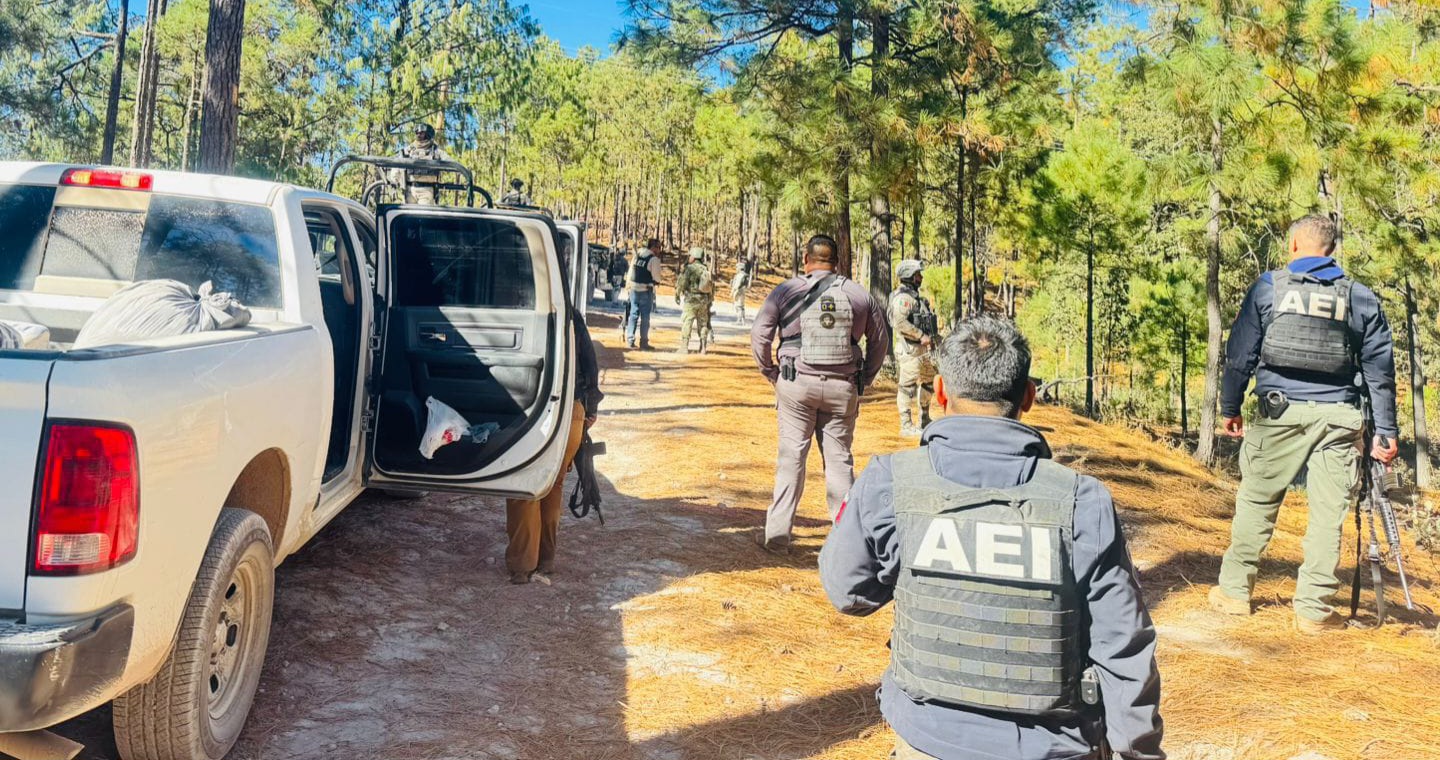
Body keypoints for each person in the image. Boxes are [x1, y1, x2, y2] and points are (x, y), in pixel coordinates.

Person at [819, 315, 1165, 760]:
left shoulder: (890, 481)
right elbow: (1123, 646)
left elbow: (847, 591)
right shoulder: (1082, 501)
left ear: (940, 392)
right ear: (1029, 397)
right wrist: (1138, 752)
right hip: (1054, 746)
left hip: (927, 742)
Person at [1210, 214, 1399, 633]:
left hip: (1280, 413)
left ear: (1293, 245)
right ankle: (1313, 609)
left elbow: (1240, 353)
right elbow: (1380, 370)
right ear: (1331, 250)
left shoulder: (1269, 287)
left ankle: (1234, 592)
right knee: (1328, 514)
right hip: (1339, 418)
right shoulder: (1360, 297)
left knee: (1258, 502)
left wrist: (1230, 406)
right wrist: (1386, 431)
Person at [750, 234, 889, 551]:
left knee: (791, 459)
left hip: (796, 385)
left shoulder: (786, 291)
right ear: (837, 262)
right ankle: (847, 541)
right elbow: (880, 342)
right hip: (842, 388)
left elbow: (760, 334)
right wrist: (864, 379)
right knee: (839, 462)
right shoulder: (858, 294)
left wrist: (771, 372)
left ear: (805, 259)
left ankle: (777, 536)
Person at [506, 306, 603, 585]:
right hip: (572, 409)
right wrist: (590, 409)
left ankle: (522, 566)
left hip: (530, 409)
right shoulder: (571, 314)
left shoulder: (518, 311)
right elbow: (590, 364)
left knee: (523, 484)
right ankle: (546, 561)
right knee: (553, 484)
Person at [889, 259, 940, 438]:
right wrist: (920, 335)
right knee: (907, 387)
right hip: (910, 350)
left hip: (924, 350)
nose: (921, 277)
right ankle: (906, 425)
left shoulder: (916, 298)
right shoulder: (903, 299)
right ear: (909, 276)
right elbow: (900, 323)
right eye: (918, 275)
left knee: (928, 382)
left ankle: (924, 418)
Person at [395, 123, 448, 205]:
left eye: (422, 133)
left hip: (427, 191)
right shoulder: (409, 150)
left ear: (428, 134)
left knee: (423, 212)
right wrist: (395, 177)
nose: (419, 135)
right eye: (417, 133)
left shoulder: (436, 151)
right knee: (408, 213)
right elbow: (397, 162)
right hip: (410, 190)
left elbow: (450, 162)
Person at [625, 238, 664, 350]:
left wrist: (628, 285)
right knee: (645, 318)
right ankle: (644, 342)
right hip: (646, 291)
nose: (659, 250)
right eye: (658, 247)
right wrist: (656, 281)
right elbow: (657, 278)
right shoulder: (653, 259)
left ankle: (630, 340)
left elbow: (631, 271)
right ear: (653, 247)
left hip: (633, 290)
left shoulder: (638, 255)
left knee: (633, 315)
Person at [676, 247, 715, 354]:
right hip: (704, 300)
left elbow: (682, 282)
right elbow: (712, 287)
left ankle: (684, 347)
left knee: (687, 321)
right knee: (703, 323)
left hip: (691, 300)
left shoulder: (689, 269)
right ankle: (703, 347)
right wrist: (710, 300)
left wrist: (677, 294)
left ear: (693, 257)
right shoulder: (705, 269)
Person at [731, 255, 756, 325]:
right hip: (742, 291)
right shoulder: (744, 275)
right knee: (741, 306)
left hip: (738, 291)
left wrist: (733, 291)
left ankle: (739, 320)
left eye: (737, 267)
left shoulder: (739, 275)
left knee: (737, 306)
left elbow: (737, 285)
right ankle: (743, 320)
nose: (736, 269)